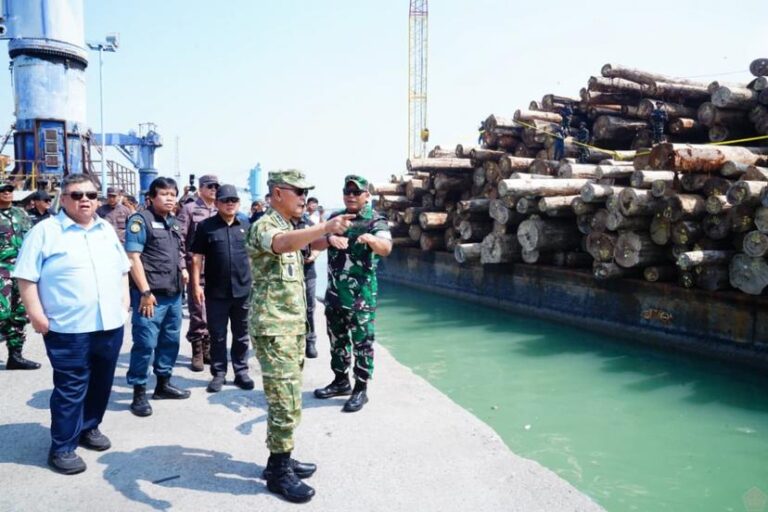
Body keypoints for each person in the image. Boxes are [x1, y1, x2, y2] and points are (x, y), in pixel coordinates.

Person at [246, 169, 354, 503]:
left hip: (291, 327)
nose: (303, 198)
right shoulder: (266, 226)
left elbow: (300, 246)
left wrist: (327, 239)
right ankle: (278, 472)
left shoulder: (290, 227)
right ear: (278, 193)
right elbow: (280, 246)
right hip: (274, 328)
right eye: (298, 192)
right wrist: (322, 227)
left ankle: (281, 457)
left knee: (289, 397)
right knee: (285, 400)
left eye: (307, 193)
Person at [14, 173, 130, 475]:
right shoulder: (45, 232)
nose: (85, 201)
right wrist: (36, 314)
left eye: (91, 195)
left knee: (102, 381)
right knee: (70, 387)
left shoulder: (105, 230)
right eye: (77, 195)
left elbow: (122, 269)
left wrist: (124, 303)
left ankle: (89, 427)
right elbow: (26, 276)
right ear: (63, 199)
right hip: (67, 327)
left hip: (109, 324)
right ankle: (62, 446)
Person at [313, 175, 392, 413]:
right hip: (335, 295)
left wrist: (372, 241)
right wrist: (329, 238)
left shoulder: (376, 220)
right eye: (347, 191)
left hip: (361, 299)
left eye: (356, 192)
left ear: (366, 195)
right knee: (337, 341)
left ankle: (360, 388)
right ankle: (340, 381)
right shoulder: (334, 218)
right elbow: (312, 244)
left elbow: (386, 248)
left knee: (362, 344)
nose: (350, 195)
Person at [124, 177, 191, 417]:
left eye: (173, 194)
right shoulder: (140, 220)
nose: (170, 198)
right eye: (164, 194)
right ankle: (139, 392)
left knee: (170, 341)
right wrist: (144, 292)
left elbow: (177, 251)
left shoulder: (172, 221)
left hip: (173, 295)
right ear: (151, 197)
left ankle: (163, 384)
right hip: (150, 296)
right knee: (145, 344)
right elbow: (133, 258)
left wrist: (182, 269)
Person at [190, 184, 254, 393]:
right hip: (216, 291)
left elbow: (254, 256)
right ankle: (219, 373)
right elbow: (197, 257)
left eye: (233, 200)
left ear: (238, 203)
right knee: (217, 334)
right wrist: (195, 285)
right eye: (225, 201)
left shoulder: (246, 224)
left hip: (243, 290)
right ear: (216, 203)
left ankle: (241, 371)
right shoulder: (206, 226)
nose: (229, 204)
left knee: (241, 334)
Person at [177, 174, 219, 371]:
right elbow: (180, 239)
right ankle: (197, 349)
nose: (213, 189)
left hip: (218, 268)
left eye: (216, 186)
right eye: (210, 186)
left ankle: (208, 347)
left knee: (213, 312)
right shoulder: (190, 209)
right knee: (197, 310)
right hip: (196, 269)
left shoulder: (221, 208)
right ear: (201, 188)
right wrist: (182, 266)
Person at [0, 181, 39, 370]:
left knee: (19, 314)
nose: (7, 193)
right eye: (2, 190)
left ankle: (15, 356)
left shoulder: (21, 214)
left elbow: (32, 240)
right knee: (2, 312)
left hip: (21, 271)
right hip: (1, 271)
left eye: (9, 190)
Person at [293, 210, 320, 359]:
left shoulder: (309, 224)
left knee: (309, 308)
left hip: (308, 271)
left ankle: (310, 342)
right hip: (288, 271)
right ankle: (293, 343)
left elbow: (319, 242)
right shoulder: (282, 223)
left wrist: (314, 255)